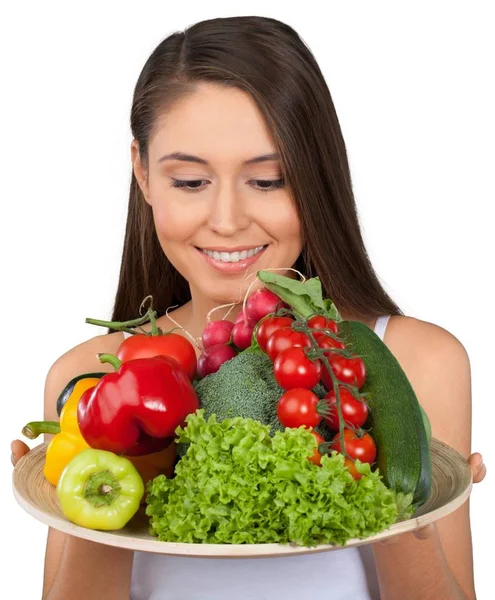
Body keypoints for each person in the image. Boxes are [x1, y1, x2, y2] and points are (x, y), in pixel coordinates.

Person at [11, 15, 486, 600]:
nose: (229, 220)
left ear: (316, 177)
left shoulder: (417, 362)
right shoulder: (89, 377)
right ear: (142, 172)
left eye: (268, 180)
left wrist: (401, 511)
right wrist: (81, 492)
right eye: (190, 181)